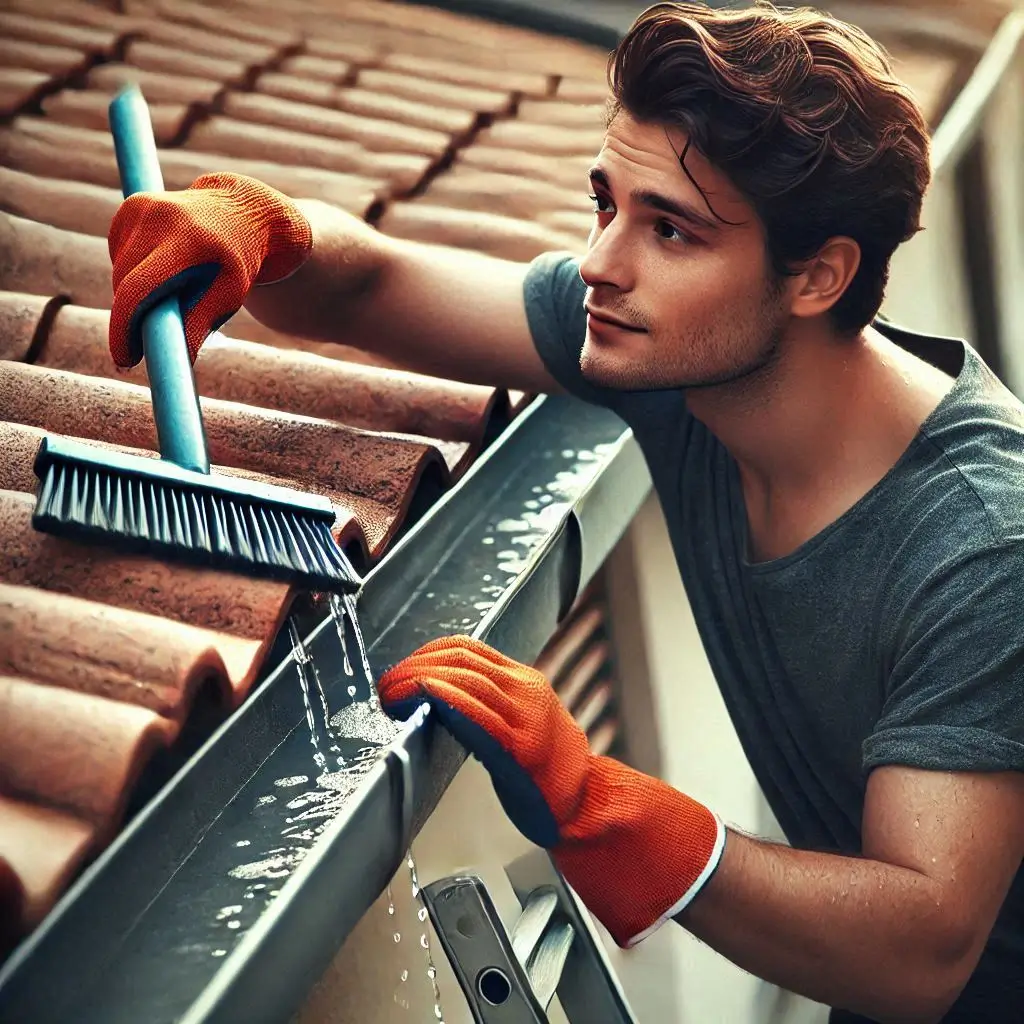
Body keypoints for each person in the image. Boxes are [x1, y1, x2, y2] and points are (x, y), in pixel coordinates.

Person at [106, 3, 1024, 1020]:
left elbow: (922, 950)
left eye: (668, 229)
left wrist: (599, 805)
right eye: (606, 205)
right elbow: (369, 285)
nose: (600, 263)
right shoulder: (677, 352)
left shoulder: (982, 548)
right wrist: (264, 227)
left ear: (817, 275)